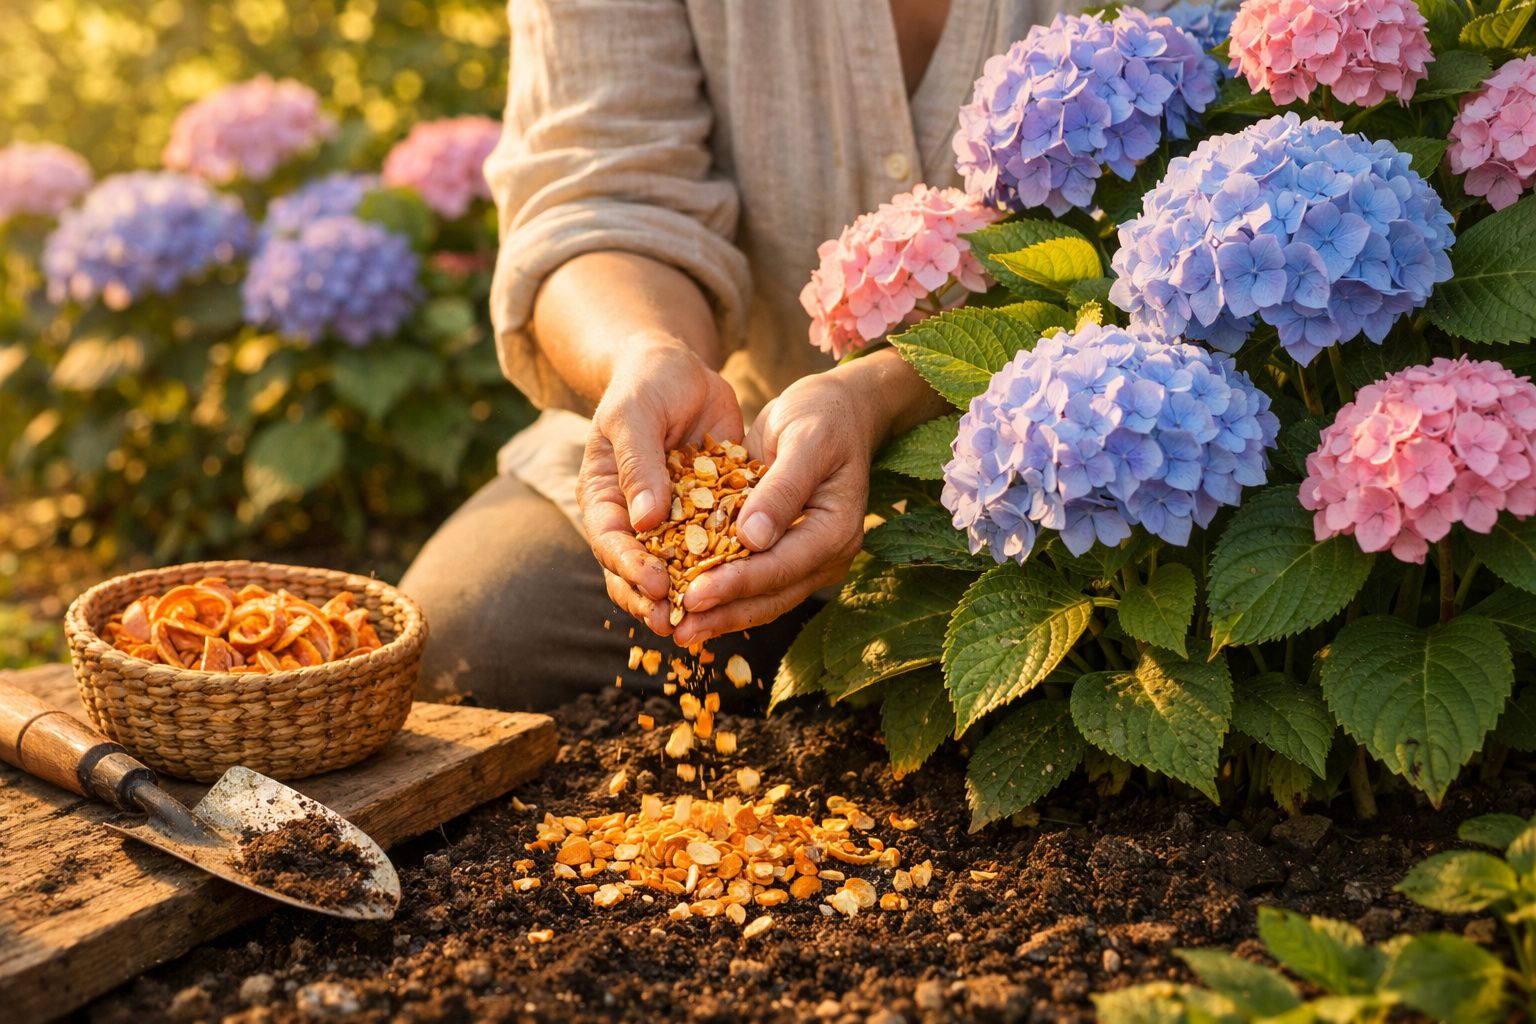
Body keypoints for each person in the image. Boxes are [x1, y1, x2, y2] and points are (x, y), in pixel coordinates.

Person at [401, 0, 1086, 710]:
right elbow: (602, 199)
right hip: (754, 442)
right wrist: (645, 349)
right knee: (469, 634)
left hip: (1081, 484)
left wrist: (883, 394)